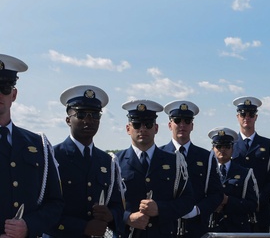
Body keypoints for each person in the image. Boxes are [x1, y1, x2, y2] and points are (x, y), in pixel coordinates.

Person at [47, 85, 125, 238]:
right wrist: (83, 227)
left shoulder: (107, 162)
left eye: (95, 115)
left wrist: (110, 215)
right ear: (68, 120)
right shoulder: (52, 157)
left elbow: (118, 206)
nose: (89, 120)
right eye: (81, 114)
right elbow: (42, 209)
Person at [0, 54, 63, 238]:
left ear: (14, 94)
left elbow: (55, 203)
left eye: (4, 88)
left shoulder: (39, 144)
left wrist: (29, 226)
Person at [116, 99, 195, 237]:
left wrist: (160, 208)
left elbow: (188, 201)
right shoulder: (115, 162)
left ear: (156, 128)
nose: (142, 129)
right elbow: (105, 205)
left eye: (148, 124)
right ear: (128, 129)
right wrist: (126, 217)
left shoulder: (174, 162)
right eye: (136, 124)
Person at [160, 100, 223, 237]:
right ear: (170, 125)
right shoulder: (159, 156)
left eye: (187, 121)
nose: (182, 125)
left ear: (192, 126)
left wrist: (198, 210)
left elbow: (216, 193)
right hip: (165, 227)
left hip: (196, 228)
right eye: (177, 120)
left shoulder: (206, 157)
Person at [231, 96, 270, 233]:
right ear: (237, 116)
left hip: (260, 212)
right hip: (234, 212)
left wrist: (257, 201)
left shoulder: (269, 145)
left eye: (251, 114)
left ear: (256, 117)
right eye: (243, 114)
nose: (247, 117)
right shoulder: (229, 144)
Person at [207, 127, 259, 233]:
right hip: (211, 228)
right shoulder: (205, 172)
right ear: (213, 149)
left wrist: (228, 201)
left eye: (227, 146)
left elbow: (253, 205)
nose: (222, 150)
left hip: (237, 229)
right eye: (218, 146)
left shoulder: (245, 173)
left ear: (232, 149)